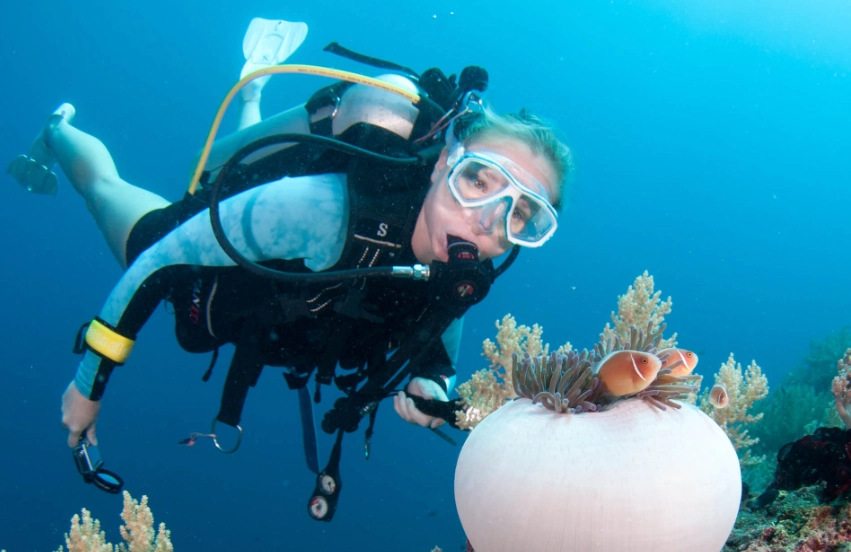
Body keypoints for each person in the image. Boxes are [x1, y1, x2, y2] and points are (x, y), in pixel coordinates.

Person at [9, 29, 570, 517]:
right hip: (219, 264)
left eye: (522, 214)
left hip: (277, 317)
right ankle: (57, 130)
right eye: (478, 180)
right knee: (116, 207)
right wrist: (89, 384)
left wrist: (433, 387)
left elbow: (435, 344)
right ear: (443, 164)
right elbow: (162, 261)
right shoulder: (326, 212)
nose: (486, 222)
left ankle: (253, 92)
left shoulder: (453, 281)